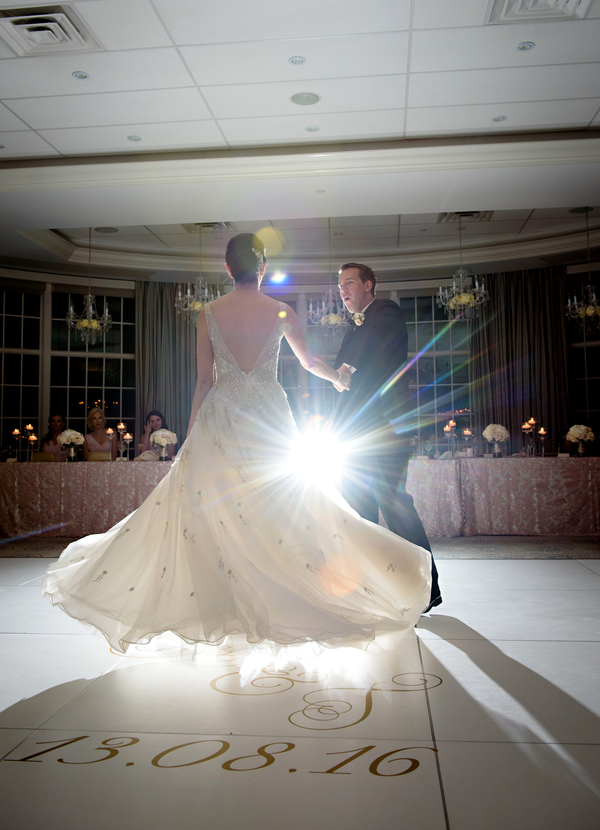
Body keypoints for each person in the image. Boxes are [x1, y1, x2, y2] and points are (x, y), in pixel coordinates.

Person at [42, 235, 431, 655]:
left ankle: (224, 600)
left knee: (214, 507)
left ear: (228, 269)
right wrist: (338, 378)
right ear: (261, 268)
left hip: (221, 417)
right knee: (282, 504)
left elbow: (204, 382)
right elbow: (309, 362)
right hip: (268, 418)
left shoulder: (208, 313)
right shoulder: (281, 310)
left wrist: (191, 435)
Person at [332, 262, 442, 612]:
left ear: (368, 285)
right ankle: (370, 588)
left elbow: (379, 347)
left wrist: (345, 369)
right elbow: (343, 384)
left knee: (395, 505)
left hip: (385, 429)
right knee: (358, 509)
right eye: (339, 285)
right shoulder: (354, 328)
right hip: (355, 433)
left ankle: (427, 588)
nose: (343, 290)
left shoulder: (386, 312)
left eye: (349, 282)